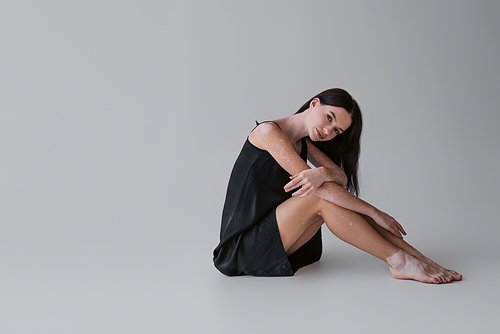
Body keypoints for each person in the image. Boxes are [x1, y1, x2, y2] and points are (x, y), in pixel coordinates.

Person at [213, 88, 461, 283]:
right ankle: (398, 260)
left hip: (275, 236)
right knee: (321, 197)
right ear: (314, 104)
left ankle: (417, 258)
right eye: (329, 118)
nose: (328, 131)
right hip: (242, 247)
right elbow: (323, 190)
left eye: (336, 130)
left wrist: (321, 172)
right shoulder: (268, 132)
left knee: (329, 193)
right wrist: (374, 211)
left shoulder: (303, 143)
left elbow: (339, 177)